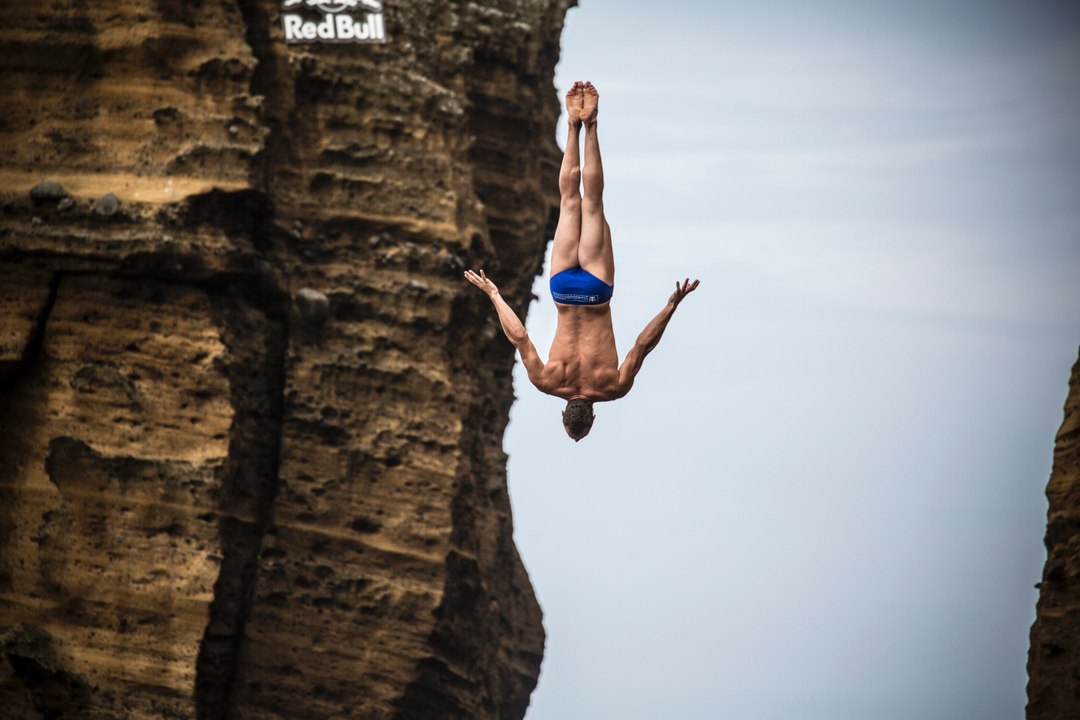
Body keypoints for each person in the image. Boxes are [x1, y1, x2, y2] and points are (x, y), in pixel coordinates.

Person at [465, 81, 699, 441]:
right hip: (563, 289)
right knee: (570, 201)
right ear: (565, 415)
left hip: (596, 291)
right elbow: (520, 338)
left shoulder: (613, 389)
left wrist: (671, 306)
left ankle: (590, 125)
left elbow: (643, 344)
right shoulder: (547, 381)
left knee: (592, 203)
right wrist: (494, 295)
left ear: (592, 417)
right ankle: (573, 126)